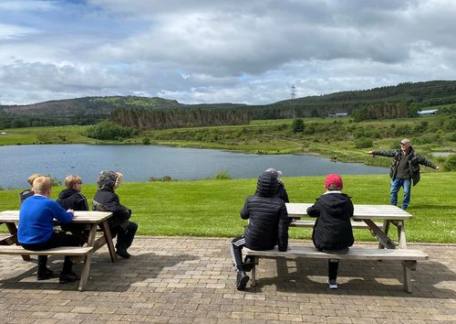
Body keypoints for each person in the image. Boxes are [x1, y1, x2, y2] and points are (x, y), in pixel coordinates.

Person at [230, 171, 289, 290]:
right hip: (271, 243)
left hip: (252, 241)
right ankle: (247, 265)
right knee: (246, 238)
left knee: (234, 243)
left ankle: (241, 271)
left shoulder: (251, 200)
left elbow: (243, 215)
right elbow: (283, 228)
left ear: (259, 185)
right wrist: (283, 247)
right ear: (275, 187)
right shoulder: (280, 203)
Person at [18, 176, 81, 283]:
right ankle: (66, 272)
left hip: (23, 241)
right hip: (40, 242)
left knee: (47, 233)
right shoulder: (49, 203)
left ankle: (42, 271)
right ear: (49, 190)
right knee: (75, 239)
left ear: (33, 189)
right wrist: (70, 213)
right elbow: (65, 219)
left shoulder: (26, 201)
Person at [307, 174, 354, 289]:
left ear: (326, 186)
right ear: (341, 186)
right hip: (344, 243)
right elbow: (351, 212)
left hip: (323, 242)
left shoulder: (322, 200)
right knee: (335, 240)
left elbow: (311, 212)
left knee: (328, 235)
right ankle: (332, 280)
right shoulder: (347, 201)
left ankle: (332, 280)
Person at [368, 138, 439, 209]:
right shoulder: (397, 152)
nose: (402, 145)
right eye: (401, 144)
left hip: (407, 178)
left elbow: (425, 161)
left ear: (408, 145)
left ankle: (404, 206)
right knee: (393, 192)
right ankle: (393, 206)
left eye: (403, 144)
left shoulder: (415, 156)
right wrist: (374, 152)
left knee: (406, 193)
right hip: (396, 177)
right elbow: (385, 153)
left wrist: (435, 166)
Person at [93, 171, 138, 259]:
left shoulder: (99, 193)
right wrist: (127, 212)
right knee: (131, 226)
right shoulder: (110, 195)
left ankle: (121, 248)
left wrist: (125, 211)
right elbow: (116, 209)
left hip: (102, 222)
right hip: (108, 224)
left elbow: (115, 208)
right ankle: (121, 248)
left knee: (124, 222)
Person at [57, 175, 89, 242]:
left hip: (64, 226)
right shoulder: (80, 198)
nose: (81, 185)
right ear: (75, 185)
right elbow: (86, 213)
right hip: (78, 227)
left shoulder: (59, 198)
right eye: (80, 183)